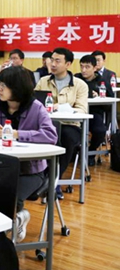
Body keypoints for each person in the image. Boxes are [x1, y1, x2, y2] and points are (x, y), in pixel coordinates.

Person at [0, 66, 57, 241]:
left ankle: (3, 235)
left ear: (17, 87)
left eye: (4, 85)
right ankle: (0, 232)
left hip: (30, 172)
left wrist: (18, 134)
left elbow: (50, 135)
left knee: (9, 197)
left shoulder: (36, 108)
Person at [34, 47, 88, 199]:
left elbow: (82, 110)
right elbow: (33, 104)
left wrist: (62, 107)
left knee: (66, 137)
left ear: (68, 64)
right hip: (46, 125)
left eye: (57, 61)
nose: (52, 64)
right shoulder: (43, 81)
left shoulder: (79, 85)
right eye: (51, 60)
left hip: (69, 125)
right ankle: (42, 180)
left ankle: (53, 182)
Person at [75, 55, 108, 166]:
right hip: (77, 113)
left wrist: (99, 96)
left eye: (87, 67)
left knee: (100, 131)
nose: (83, 70)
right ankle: (75, 151)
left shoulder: (101, 81)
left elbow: (109, 105)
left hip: (94, 114)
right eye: (81, 66)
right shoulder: (76, 79)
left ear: (95, 68)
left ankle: (90, 152)